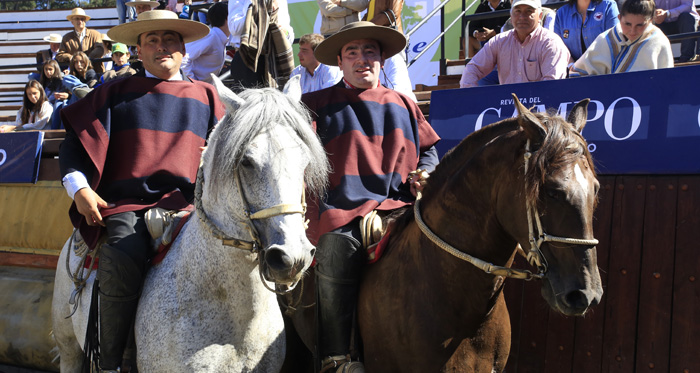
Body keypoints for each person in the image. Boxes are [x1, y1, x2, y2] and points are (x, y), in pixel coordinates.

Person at [58, 10, 223, 372]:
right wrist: (79, 189)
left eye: (170, 40)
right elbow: (74, 146)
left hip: (193, 209)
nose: (162, 47)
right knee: (122, 250)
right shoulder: (113, 93)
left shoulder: (209, 97)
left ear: (183, 49)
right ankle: (111, 363)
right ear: (138, 50)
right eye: (152, 40)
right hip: (127, 206)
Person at [301, 21, 441, 372]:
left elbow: (429, 152)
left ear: (381, 59)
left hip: (401, 206)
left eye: (370, 52)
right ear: (339, 60)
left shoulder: (405, 104)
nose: (362, 59)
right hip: (341, 208)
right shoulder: (314, 104)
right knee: (335, 247)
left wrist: (427, 173)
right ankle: (335, 358)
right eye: (353, 52)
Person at [460, 0, 570, 88]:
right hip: (508, 110)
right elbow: (473, 69)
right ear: (510, 16)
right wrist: (472, 98)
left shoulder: (551, 43)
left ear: (540, 16)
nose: (522, 17)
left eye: (529, 11)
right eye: (517, 11)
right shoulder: (498, 41)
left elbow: (552, 87)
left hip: (539, 112)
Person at [570, 0, 673, 75]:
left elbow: (666, 82)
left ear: (650, 21)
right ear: (619, 18)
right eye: (627, 24)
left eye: (640, 25)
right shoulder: (605, 38)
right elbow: (579, 73)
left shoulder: (659, 42)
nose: (633, 31)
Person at [227, 0, 295, 90]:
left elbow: (288, 31)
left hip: (275, 58)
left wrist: (284, 32)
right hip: (247, 57)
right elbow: (234, 28)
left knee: (277, 100)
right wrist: (257, 9)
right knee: (250, 101)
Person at [554, 0, 619, 61]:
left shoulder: (608, 6)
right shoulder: (561, 13)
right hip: (572, 70)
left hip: (606, 69)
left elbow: (614, 43)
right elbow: (559, 48)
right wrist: (572, 66)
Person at [181, 2, 230, 82]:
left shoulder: (216, 37)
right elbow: (183, 58)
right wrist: (194, 83)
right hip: (195, 90)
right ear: (227, 18)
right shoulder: (211, 36)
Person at [56, 8, 106, 75]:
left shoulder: (95, 34)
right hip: (76, 75)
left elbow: (100, 49)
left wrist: (86, 59)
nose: (80, 21)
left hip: (96, 72)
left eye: (82, 19)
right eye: (77, 19)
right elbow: (60, 55)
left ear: (85, 21)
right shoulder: (66, 38)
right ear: (72, 22)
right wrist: (71, 57)